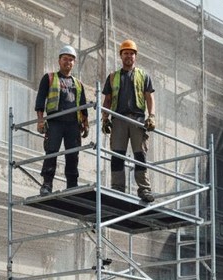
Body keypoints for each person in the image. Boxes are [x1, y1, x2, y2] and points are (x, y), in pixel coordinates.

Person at [101, 39, 156, 203]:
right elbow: (107, 100)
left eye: (131, 53)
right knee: (117, 154)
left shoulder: (143, 76)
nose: (129, 56)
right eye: (126, 53)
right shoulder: (113, 77)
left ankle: (144, 190)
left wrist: (151, 116)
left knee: (140, 155)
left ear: (135, 56)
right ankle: (117, 188)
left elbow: (149, 97)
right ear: (121, 56)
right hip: (118, 119)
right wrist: (105, 118)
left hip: (138, 119)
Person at [34, 44, 89, 195]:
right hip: (55, 122)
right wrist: (40, 120)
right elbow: (40, 101)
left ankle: (72, 185)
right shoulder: (50, 78)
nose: (68, 62)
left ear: (74, 63)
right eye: (65, 59)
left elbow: (83, 106)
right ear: (59, 61)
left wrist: (85, 123)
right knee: (51, 152)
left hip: (73, 124)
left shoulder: (78, 84)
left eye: (71, 60)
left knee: (73, 154)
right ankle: (47, 184)